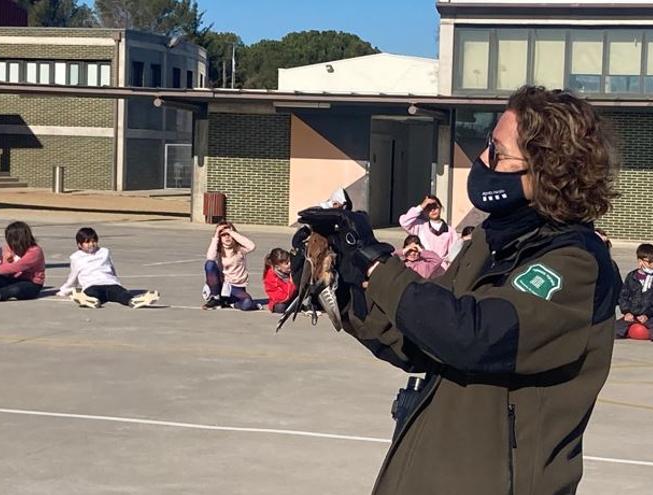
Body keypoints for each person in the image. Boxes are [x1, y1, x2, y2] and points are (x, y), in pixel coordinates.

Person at [297, 86, 620, 494]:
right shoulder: (491, 240)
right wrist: (340, 286)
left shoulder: (576, 264)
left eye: (497, 153)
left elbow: (472, 335)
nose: (483, 161)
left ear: (547, 170)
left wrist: (377, 263)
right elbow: (418, 337)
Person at [56, 227, 160, 309]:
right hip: (91, 284)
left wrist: (116, 281)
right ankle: (89, 300)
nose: (91, 244)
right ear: (79, 244)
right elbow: (73, 276)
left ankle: (133, 301)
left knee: (120, 294)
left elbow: (111, 268)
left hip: (110, 282)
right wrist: (65, 290)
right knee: (92, 294)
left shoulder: (104, 252)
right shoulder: (76, 257)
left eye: (94, 241)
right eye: (87, 242)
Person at [0, 221, 45, 302]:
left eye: (10, 239)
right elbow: (4, 267)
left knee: (15, 289)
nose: (8, 242)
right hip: (13, 279)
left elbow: (18, 266)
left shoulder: (35, 251)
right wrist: (6, 260)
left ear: (18, 238)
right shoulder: (11, 247)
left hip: (31, 283)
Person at [615, 243, 653, 342]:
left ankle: (652, 330)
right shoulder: (631, 276)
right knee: (614, 332)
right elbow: (623, 296)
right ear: (640, 261)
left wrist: (648, 314)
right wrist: (627, 312)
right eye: (650, 262)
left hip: (650, 316)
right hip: (632, 314)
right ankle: (627, 330)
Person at [202, 222, 258, 311]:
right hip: (221, 284)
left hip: (236, 287)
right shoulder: (219, 249)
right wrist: (216, 234)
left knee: (247, 304)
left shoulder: (240, 249)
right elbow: (210, 257)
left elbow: (252, 246)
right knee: (209, 264)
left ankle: (230, 303)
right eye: (223, 235)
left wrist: (231, 232)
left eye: (229, 234)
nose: (227, 237)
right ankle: (216, 298)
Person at [399, 194, 459, 269]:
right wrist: (421, 206)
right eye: (428, 208)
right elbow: (404, 222)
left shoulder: (450, 231)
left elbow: (454, 254)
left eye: (435, 207)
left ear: (441, 207)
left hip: (441, 269)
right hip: (422, 267)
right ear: (424, 211)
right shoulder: (420, 226)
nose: (433, 210)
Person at [263, 248, 296, 313]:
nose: (290, 264)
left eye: (290, 261)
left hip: (291, 296)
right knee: (280, 308)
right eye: (287, 263)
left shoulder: (288, 271)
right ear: (278, 267)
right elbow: (284, 297)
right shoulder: (272, 278)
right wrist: (292, 283)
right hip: (280, 300)